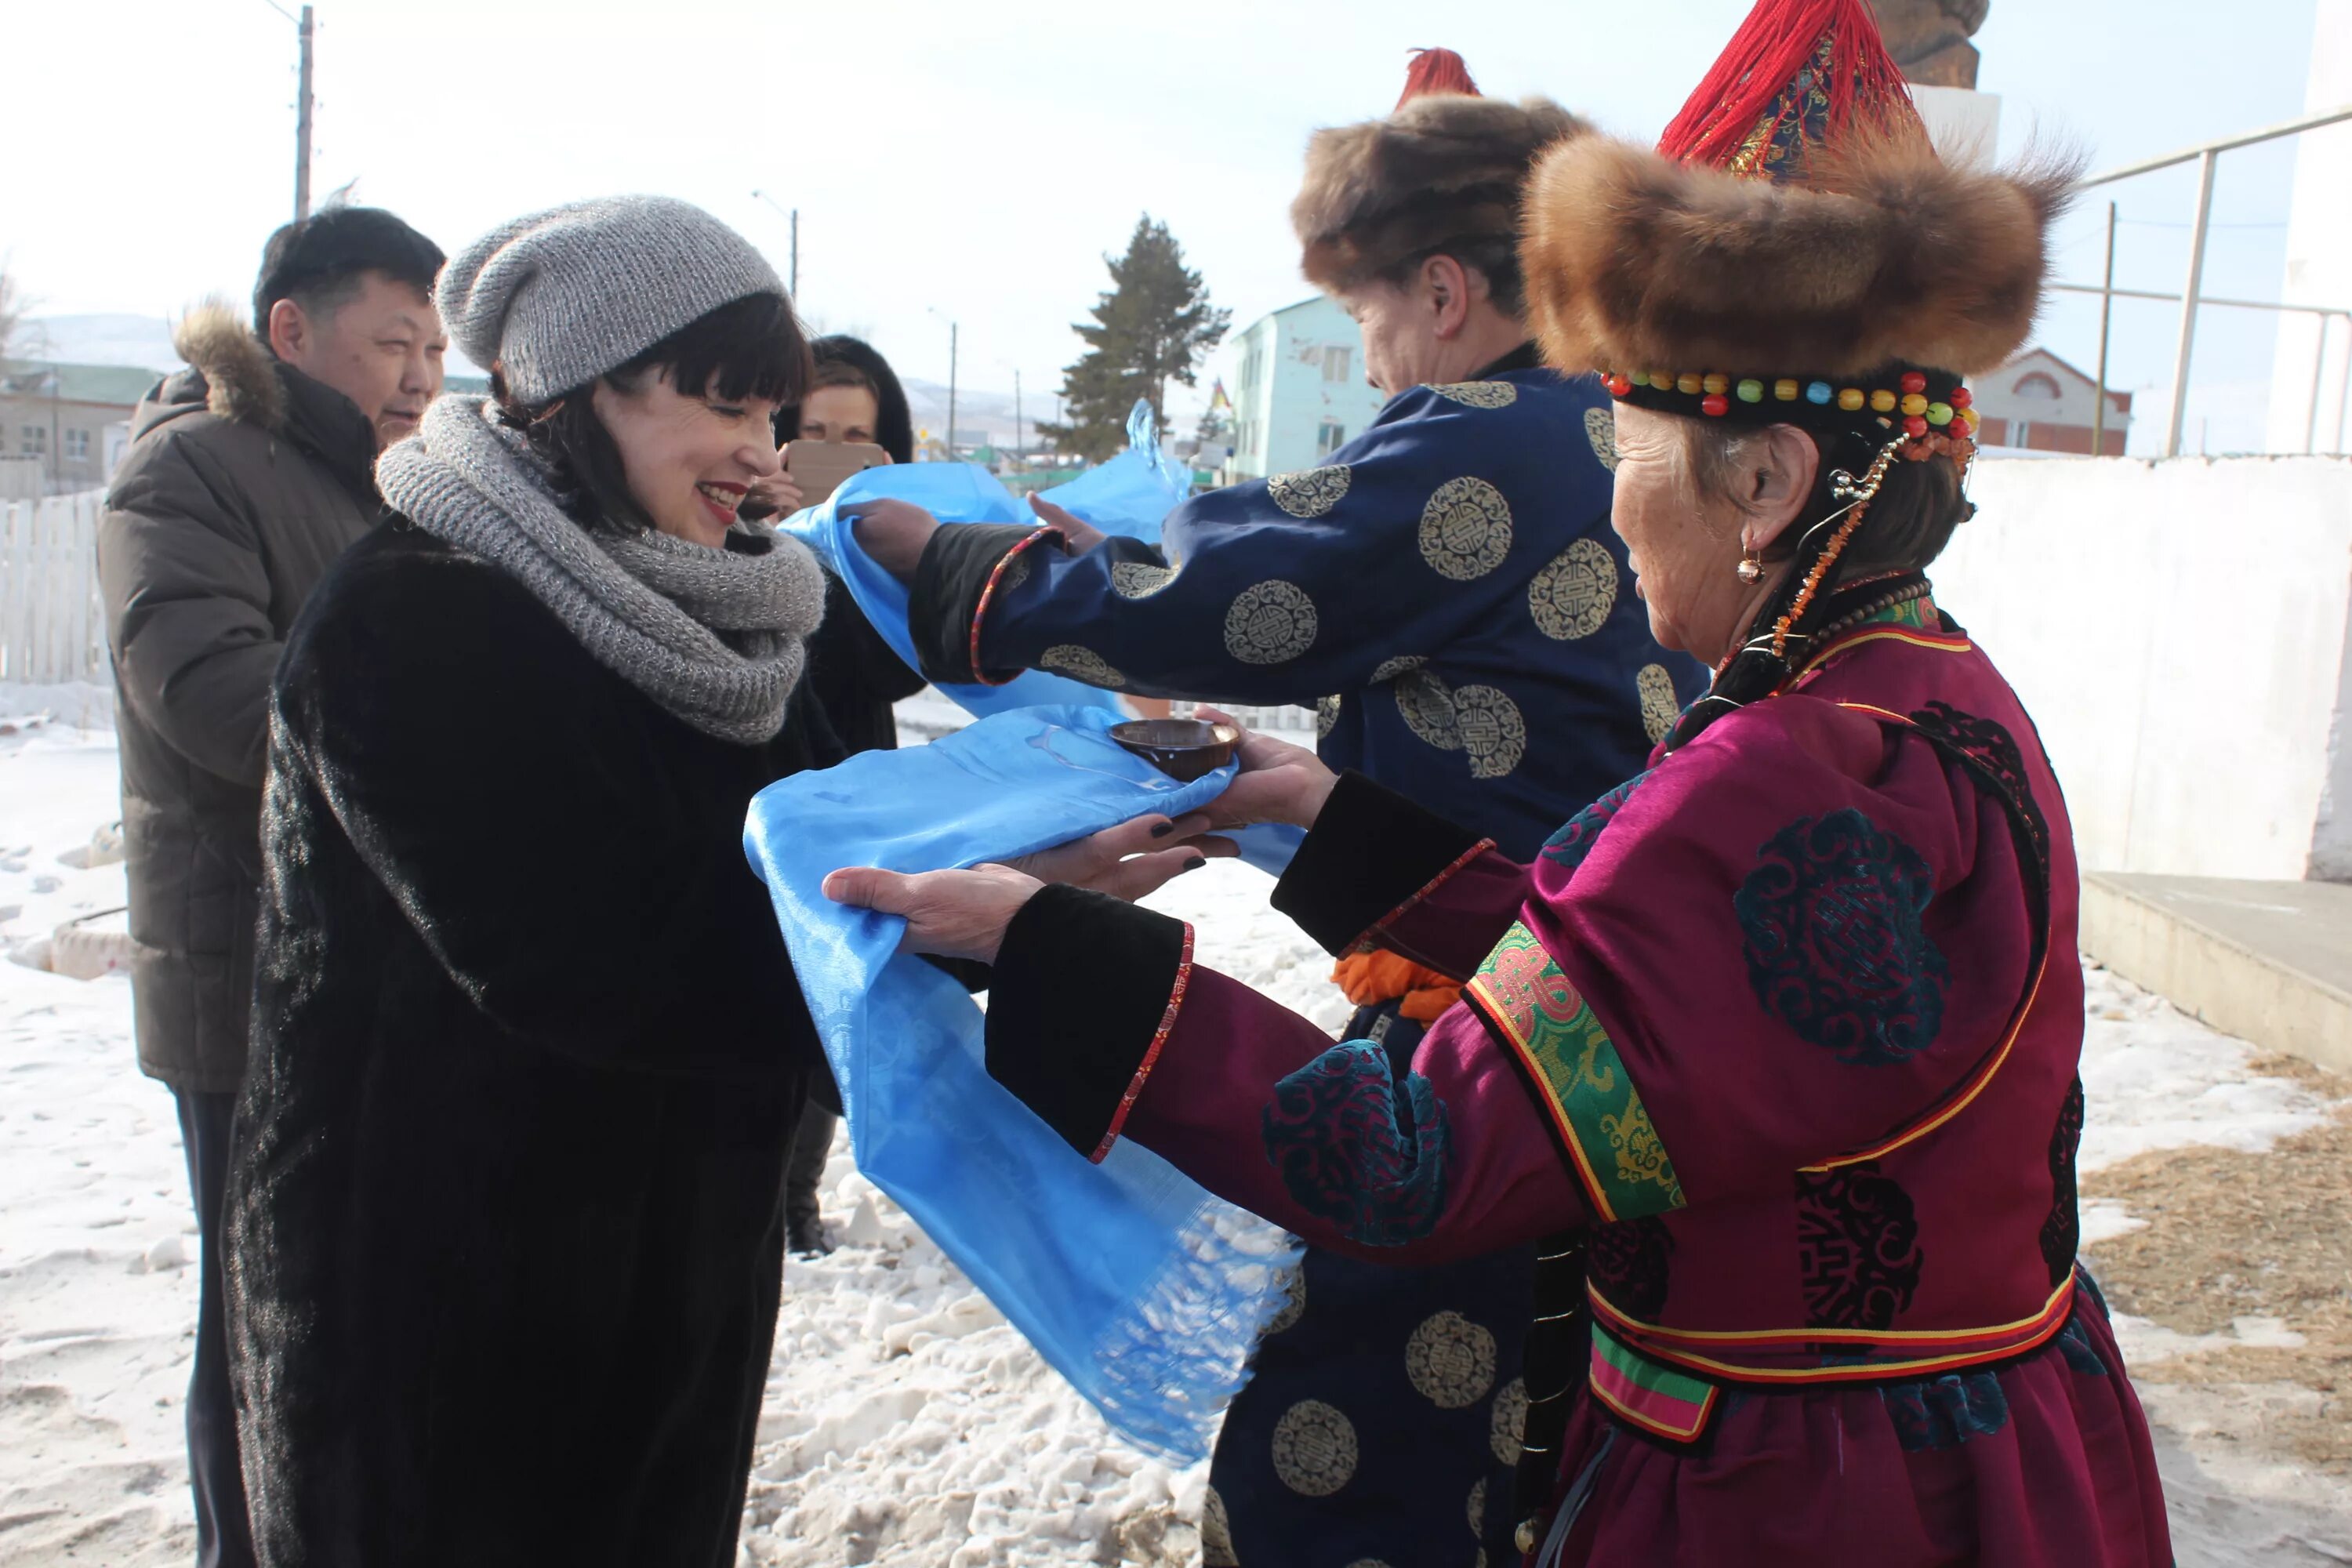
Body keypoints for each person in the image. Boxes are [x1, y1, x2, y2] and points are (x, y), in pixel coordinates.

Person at [828, 1, 2172, 1561]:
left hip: (1793, 1489)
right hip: (1988, 1441)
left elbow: (1406, 1158)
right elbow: (1676, 1006)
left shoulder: (1764, 778)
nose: (1599, 486)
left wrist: (1034, 940)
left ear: (1766, 485)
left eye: (1629, 440)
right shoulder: (1936, 695)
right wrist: (1332, 819)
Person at [220, 196, 1206, 1567]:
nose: (763, 458)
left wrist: (1024, 875)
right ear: (580, 388)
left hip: (672, 1288)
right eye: (726, 410)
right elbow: (595, 959)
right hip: (440, 1302)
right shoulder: (416, 612)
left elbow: (812, 860)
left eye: (774, 415)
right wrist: (977, 913)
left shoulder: (732, 608)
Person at [853, 50, 1703, 1566]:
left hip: (1495, 1012)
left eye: (1371, 316)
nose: (1371, 362)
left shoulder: (1492, 434)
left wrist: (962, 572)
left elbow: (1262, 593)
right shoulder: (1594, 426)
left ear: (1443, 293)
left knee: (1360, 1447)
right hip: (1549, 964)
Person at [97, 202, 445, 1568]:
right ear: (290, 331)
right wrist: (442, 758)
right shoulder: (188, 473)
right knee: (262, 1319)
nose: (421, 376)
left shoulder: (372, 480)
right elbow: (218, 704)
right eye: (392, 342)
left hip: (369, 957)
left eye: (433, 346)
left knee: (352, 1302)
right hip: (247, 967)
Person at [765, 336, 927, 1254]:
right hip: (755, 791)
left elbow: (897, 673)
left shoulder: (889, 546)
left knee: (836, 984)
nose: (827, 450)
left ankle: (795, 1196)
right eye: (811, 431)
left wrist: (860, 555)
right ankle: (772, 1197)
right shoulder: (730, 523)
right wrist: (767, 535)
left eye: (853, 440)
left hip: (854, 787)